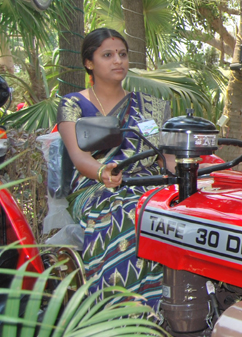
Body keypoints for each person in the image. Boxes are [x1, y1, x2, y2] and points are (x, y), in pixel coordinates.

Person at [57, 28, 172, 309]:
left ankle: (170, 306)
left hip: (148, 181)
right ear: (89, 62)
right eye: (107, 55)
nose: (117, 61)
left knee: (176, 211)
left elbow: (165, 158)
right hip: (95, 185)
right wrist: (102, 172)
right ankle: (115, 310)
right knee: (123, 210)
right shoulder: (73, 104)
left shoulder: (152, 107)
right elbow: (78, 156)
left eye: (122, 54)